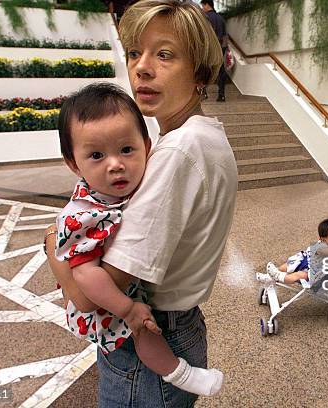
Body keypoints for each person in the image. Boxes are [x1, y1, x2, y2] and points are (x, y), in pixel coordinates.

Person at [44, 1, 238, 406]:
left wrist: (53, 245)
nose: (142, 67)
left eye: (164, 54)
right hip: (179, 326)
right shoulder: (206, 136)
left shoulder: (178, 151)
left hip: (150, 338)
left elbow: (85, 297)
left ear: (201, 72)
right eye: (135, 52)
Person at [51, 82, 222, 397]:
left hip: (134, 295)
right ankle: (180, 374)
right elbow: (85, 277)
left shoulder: (140, 184)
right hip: (109, 306)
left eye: (126, 150)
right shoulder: (85, 215)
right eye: (97, 155)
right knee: (143, 333)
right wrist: (127, 309)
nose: (115, 164)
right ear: (74, 163)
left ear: (147, 146)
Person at [257, 218, 328, 284]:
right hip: (304, 261)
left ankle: (279, 277)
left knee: (299, 275)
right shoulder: (322, 247)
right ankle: (269, 276)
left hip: (314, 273)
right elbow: (325, 251)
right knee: (286, 266)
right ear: (323, 239)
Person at [200, 0, 228, 102]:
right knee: (220, 71)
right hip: (220, 48)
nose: (202, 8)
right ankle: (221, 95)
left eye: (202, 6)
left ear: (207, 4)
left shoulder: (205, 18)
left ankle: (203, 93)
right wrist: (224, 49)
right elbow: (224, 36)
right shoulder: (220, 18)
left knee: (203, 70)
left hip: (208, 49)